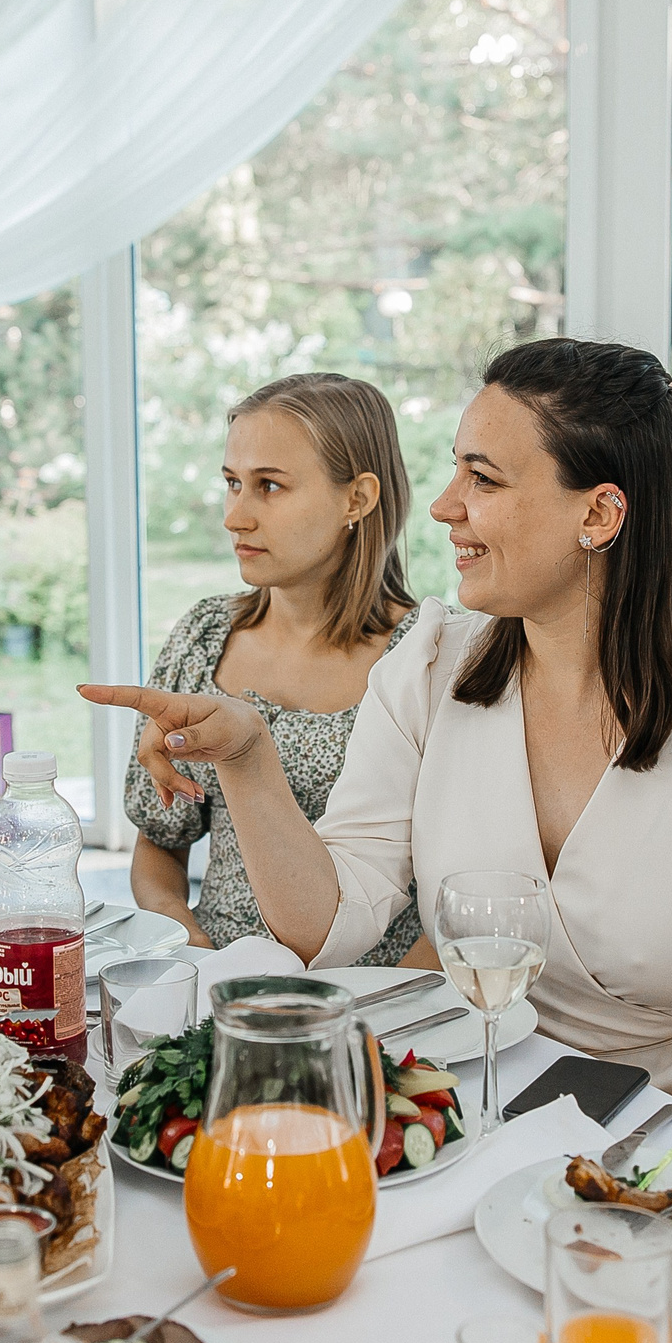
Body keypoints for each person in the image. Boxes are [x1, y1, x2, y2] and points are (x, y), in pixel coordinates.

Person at [86, 339, 672, 1162]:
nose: (441, 505)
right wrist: (249, 757)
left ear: (599, 514)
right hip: (503, 1111)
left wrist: (639, 1169)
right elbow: (331, 919)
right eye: (454, 471)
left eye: (484, 478)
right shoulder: (434, 665)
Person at [125, 373, 426, 964]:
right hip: (220, 986)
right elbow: (160, 845)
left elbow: (454, 900)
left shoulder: (425, 660)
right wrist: (190, 945)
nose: (236, 517)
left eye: (269, 486)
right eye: (232, 484)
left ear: (357, 499)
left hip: (372, 1007)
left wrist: (381, 1030)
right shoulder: (205, 637)